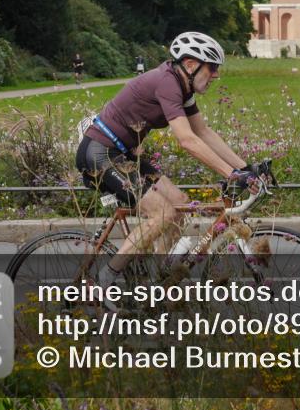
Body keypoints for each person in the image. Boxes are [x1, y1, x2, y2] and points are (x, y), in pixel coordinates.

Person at [75, 32, 259, 302]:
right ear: (190, 63)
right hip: (99, 154)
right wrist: (231, 175)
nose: (217, 75)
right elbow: (187, 140)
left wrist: (247, 167)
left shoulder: (182, 87)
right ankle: (105, 282)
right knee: (162, 213)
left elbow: (204, 133)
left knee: (180, 203)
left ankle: (157, 283)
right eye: (213, 67)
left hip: (123, 155)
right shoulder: (167, 83)